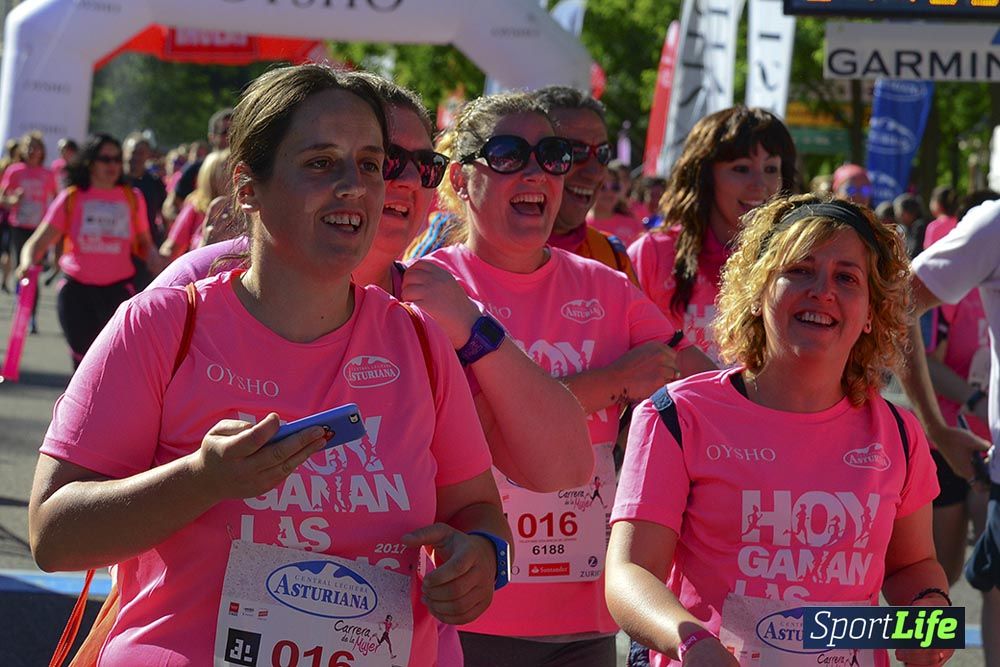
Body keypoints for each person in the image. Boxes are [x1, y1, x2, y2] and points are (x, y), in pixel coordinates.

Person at [28, 64, 511, 666]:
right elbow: (53, 535)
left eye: (369, 164)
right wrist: (200, 480)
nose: (353, 186)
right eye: (320, 163)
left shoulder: (419, 342)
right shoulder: (162, 326)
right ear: (248, 187)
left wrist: (481, 555)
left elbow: (479, 512)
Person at [417, 90, 712, 667]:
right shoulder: (431, 287)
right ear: (459, 177)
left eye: (552, 156)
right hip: (469, 609)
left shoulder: (605, 286)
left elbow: (709, 394)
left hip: (585, 617)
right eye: (508, 154)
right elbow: (465, 430)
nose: (536, 173)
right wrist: (612, 381)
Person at [607, 193, 952, 667]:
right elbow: (629, 574)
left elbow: (914, 566)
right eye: (800, 270)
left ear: (872, 312)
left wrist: (931, 621)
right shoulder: (677, 415)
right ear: (757, 290)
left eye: (847, 278)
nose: (822, 291)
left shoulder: (898, 432)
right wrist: (692, 643)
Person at [899, 195, 1000, 662]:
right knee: (937, 574)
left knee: (975, 576)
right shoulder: (987, 232)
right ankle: (919, 654)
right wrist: (937, 425)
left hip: (978, 444)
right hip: (952, 445)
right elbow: (898, 309)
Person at [628, 106, 797, 362]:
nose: (760, 184)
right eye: (741, 168)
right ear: (704, 176)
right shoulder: (652, 254)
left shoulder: (797, 259)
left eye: (771, 169)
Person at [532, 86, 641, 284]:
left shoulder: (612, 255)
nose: (595, 172)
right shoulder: (485, 252)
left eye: (603, 153)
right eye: (574, 151)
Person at [1, 132, 60, 330]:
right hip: (19, 225)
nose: (32, 151)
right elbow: (3, 198)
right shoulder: (15, 171)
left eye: (36, 147)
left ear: (42, 151)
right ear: (22, 150)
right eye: (29, 147)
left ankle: (32, 315)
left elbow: (57, 200)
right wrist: (12, 200)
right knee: (22, 268)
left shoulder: (48, 174)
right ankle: (20, 309)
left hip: (39, 229)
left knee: (35, 270)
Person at [162, 108, 232, 223]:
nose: (231, 137)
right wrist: (190, 223)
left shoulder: (248, 170)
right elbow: (169, 207)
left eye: (236, 132)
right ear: (212, 137)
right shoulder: (195, 169)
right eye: (225, 132)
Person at [159, 149, 230, 260]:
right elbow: (171, 249)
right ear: (211, 177)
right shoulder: (196, 206)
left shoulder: (246, 207)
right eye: (227, 170)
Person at [893, 192, 928, 259]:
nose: (898, 216)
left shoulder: (920, 227)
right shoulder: (902, 228)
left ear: (911, 212)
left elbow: (914, 252)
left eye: (900, 212)